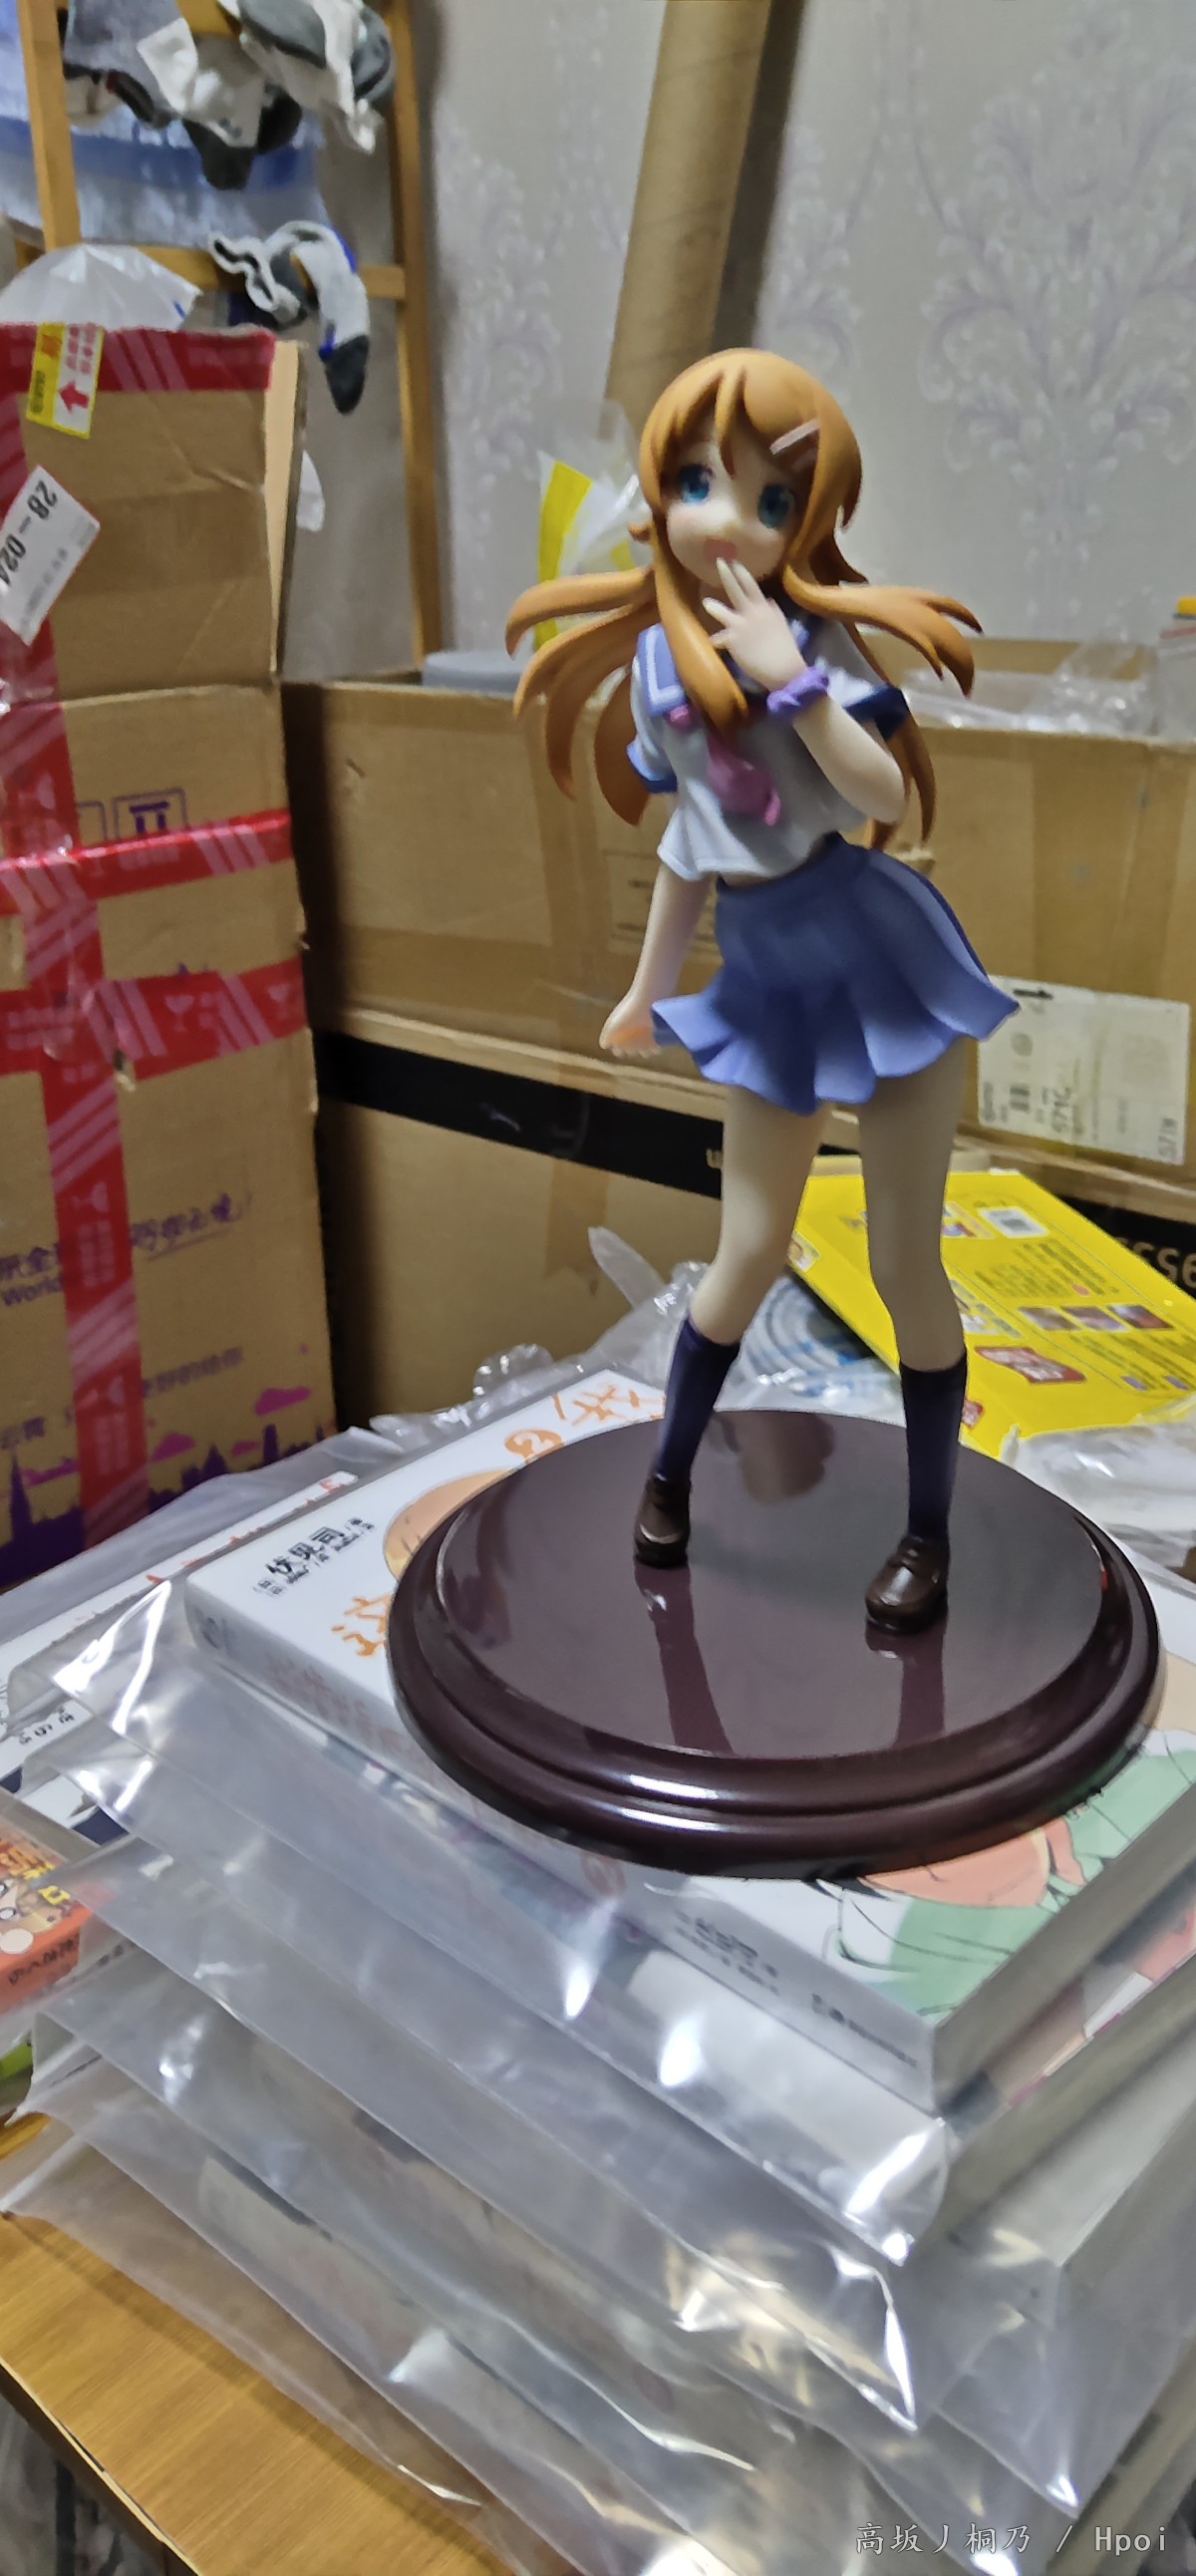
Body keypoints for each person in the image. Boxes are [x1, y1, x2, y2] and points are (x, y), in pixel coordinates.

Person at [507, 350, 1013, 1630]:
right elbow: (692, 847)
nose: (727, 518)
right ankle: (667, 1479)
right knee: (745, 1251)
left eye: (769, 499)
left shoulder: (816, 642)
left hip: (882, 968)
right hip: (773, 987)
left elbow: (883, 794)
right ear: (657, 498)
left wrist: (794, 672)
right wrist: (645, 988)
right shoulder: (659, 673)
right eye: (697, 482)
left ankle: (927, 1533)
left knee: (903, 1262)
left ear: (809, 521)